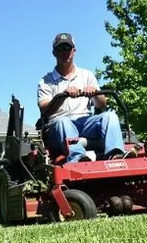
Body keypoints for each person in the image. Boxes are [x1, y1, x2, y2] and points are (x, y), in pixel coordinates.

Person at [37, 32, 134, 163]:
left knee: (110, 116)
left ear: (74, 50)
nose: (64, 52)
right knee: (62, 122)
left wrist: (95, 93)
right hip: (58, 127)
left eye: (67, 48)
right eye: (60, 49)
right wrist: (63, 96)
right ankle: (78, 158)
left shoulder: (87, 75)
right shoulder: (46, 81)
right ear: (54, 53)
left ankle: (115, 154)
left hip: (86, 122)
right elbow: (44, 109)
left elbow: (101, 105)